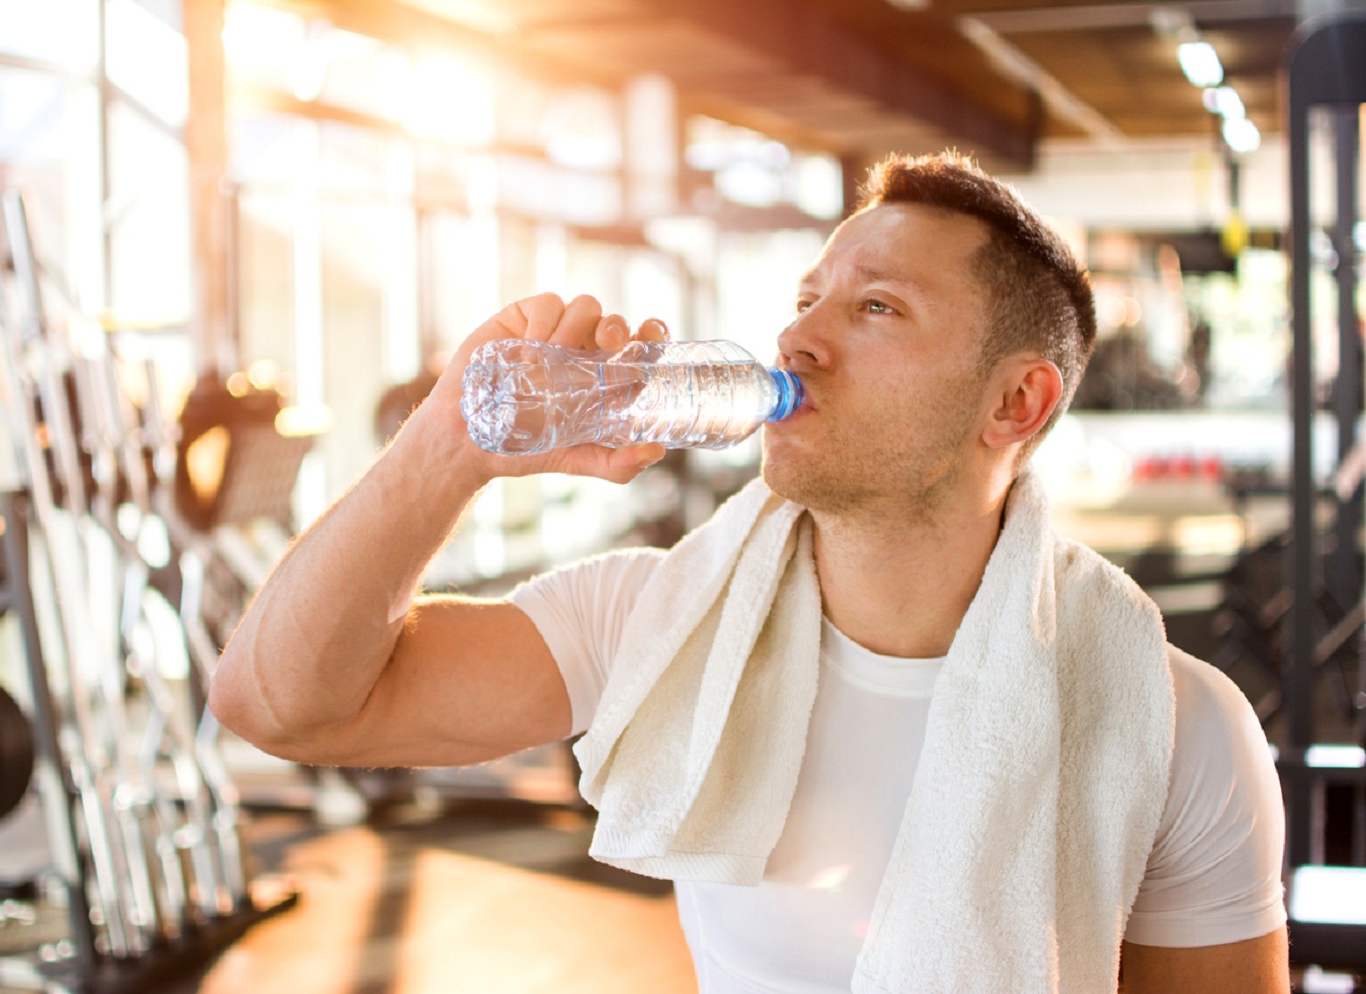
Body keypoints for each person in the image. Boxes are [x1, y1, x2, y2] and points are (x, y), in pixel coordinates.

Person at [210, 152, 1288, 994]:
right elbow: (279, 706)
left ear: (1015, 404)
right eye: (807, 296)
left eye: (874, 309)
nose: (796, 339)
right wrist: (451, 441)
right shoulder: (656, 622)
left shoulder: (1171, 724)